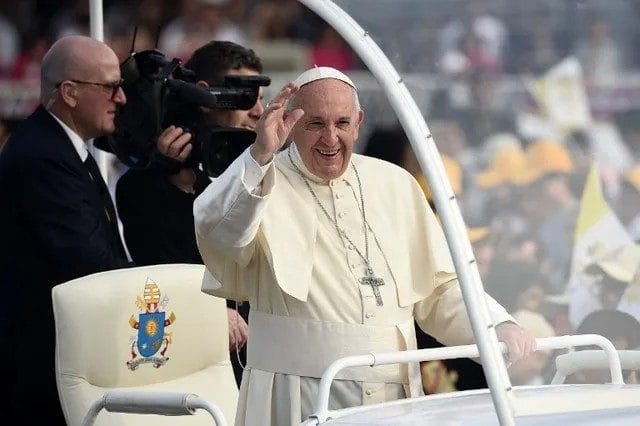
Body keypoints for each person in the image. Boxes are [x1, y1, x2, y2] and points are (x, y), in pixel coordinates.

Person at [193, 66, 537, 425]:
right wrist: (260, 155)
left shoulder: (396, 184)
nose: (330, 138)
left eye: (342, 123)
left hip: (394, 398)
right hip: (297, 394)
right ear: (290, 125)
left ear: (358, 123)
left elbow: (439, 290)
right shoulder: (260, 180)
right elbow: (218, 232)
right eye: (315, 124)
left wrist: (496, 325)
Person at [115, 40, 264, 386]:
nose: (258, 110)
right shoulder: (145, 185)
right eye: (245, 98)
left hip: (261, 357)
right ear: (205, 96)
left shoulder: (260, 168)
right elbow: (161, 269)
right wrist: (172, 183)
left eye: (261, 98)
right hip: (190, 360)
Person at [0, 35, 132, 423]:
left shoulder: (61, 147)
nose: (121, 98)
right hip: (41, 370)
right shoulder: (43, 158)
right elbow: (90, 263)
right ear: (70, 93)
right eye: (110, 87)